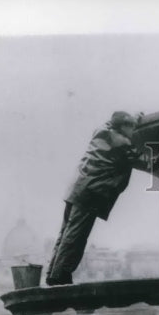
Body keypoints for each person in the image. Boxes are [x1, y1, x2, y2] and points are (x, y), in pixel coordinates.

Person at [46, 112, 146, 286]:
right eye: (131, 127)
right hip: (91, 195)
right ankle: (61, 277)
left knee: (65, 234)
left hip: (76, 189)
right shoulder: (123, 144)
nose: (133, 130)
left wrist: (133, 119)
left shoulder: (101, 131)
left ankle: (52, 274)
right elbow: (146, 163)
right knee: (76, 238)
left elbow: (114, 122)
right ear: (123, 127)